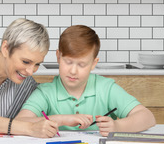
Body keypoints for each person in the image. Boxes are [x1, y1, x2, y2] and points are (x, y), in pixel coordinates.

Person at [16, 25, 156, 137]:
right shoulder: (45, 92)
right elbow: (19, 122)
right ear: (58, 57)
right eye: (68, 62)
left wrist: (117, 126)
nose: (73, 71)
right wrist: (62, 119)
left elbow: (148, 117)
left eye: (81, 65)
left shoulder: (106, 88)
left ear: (94, 63)